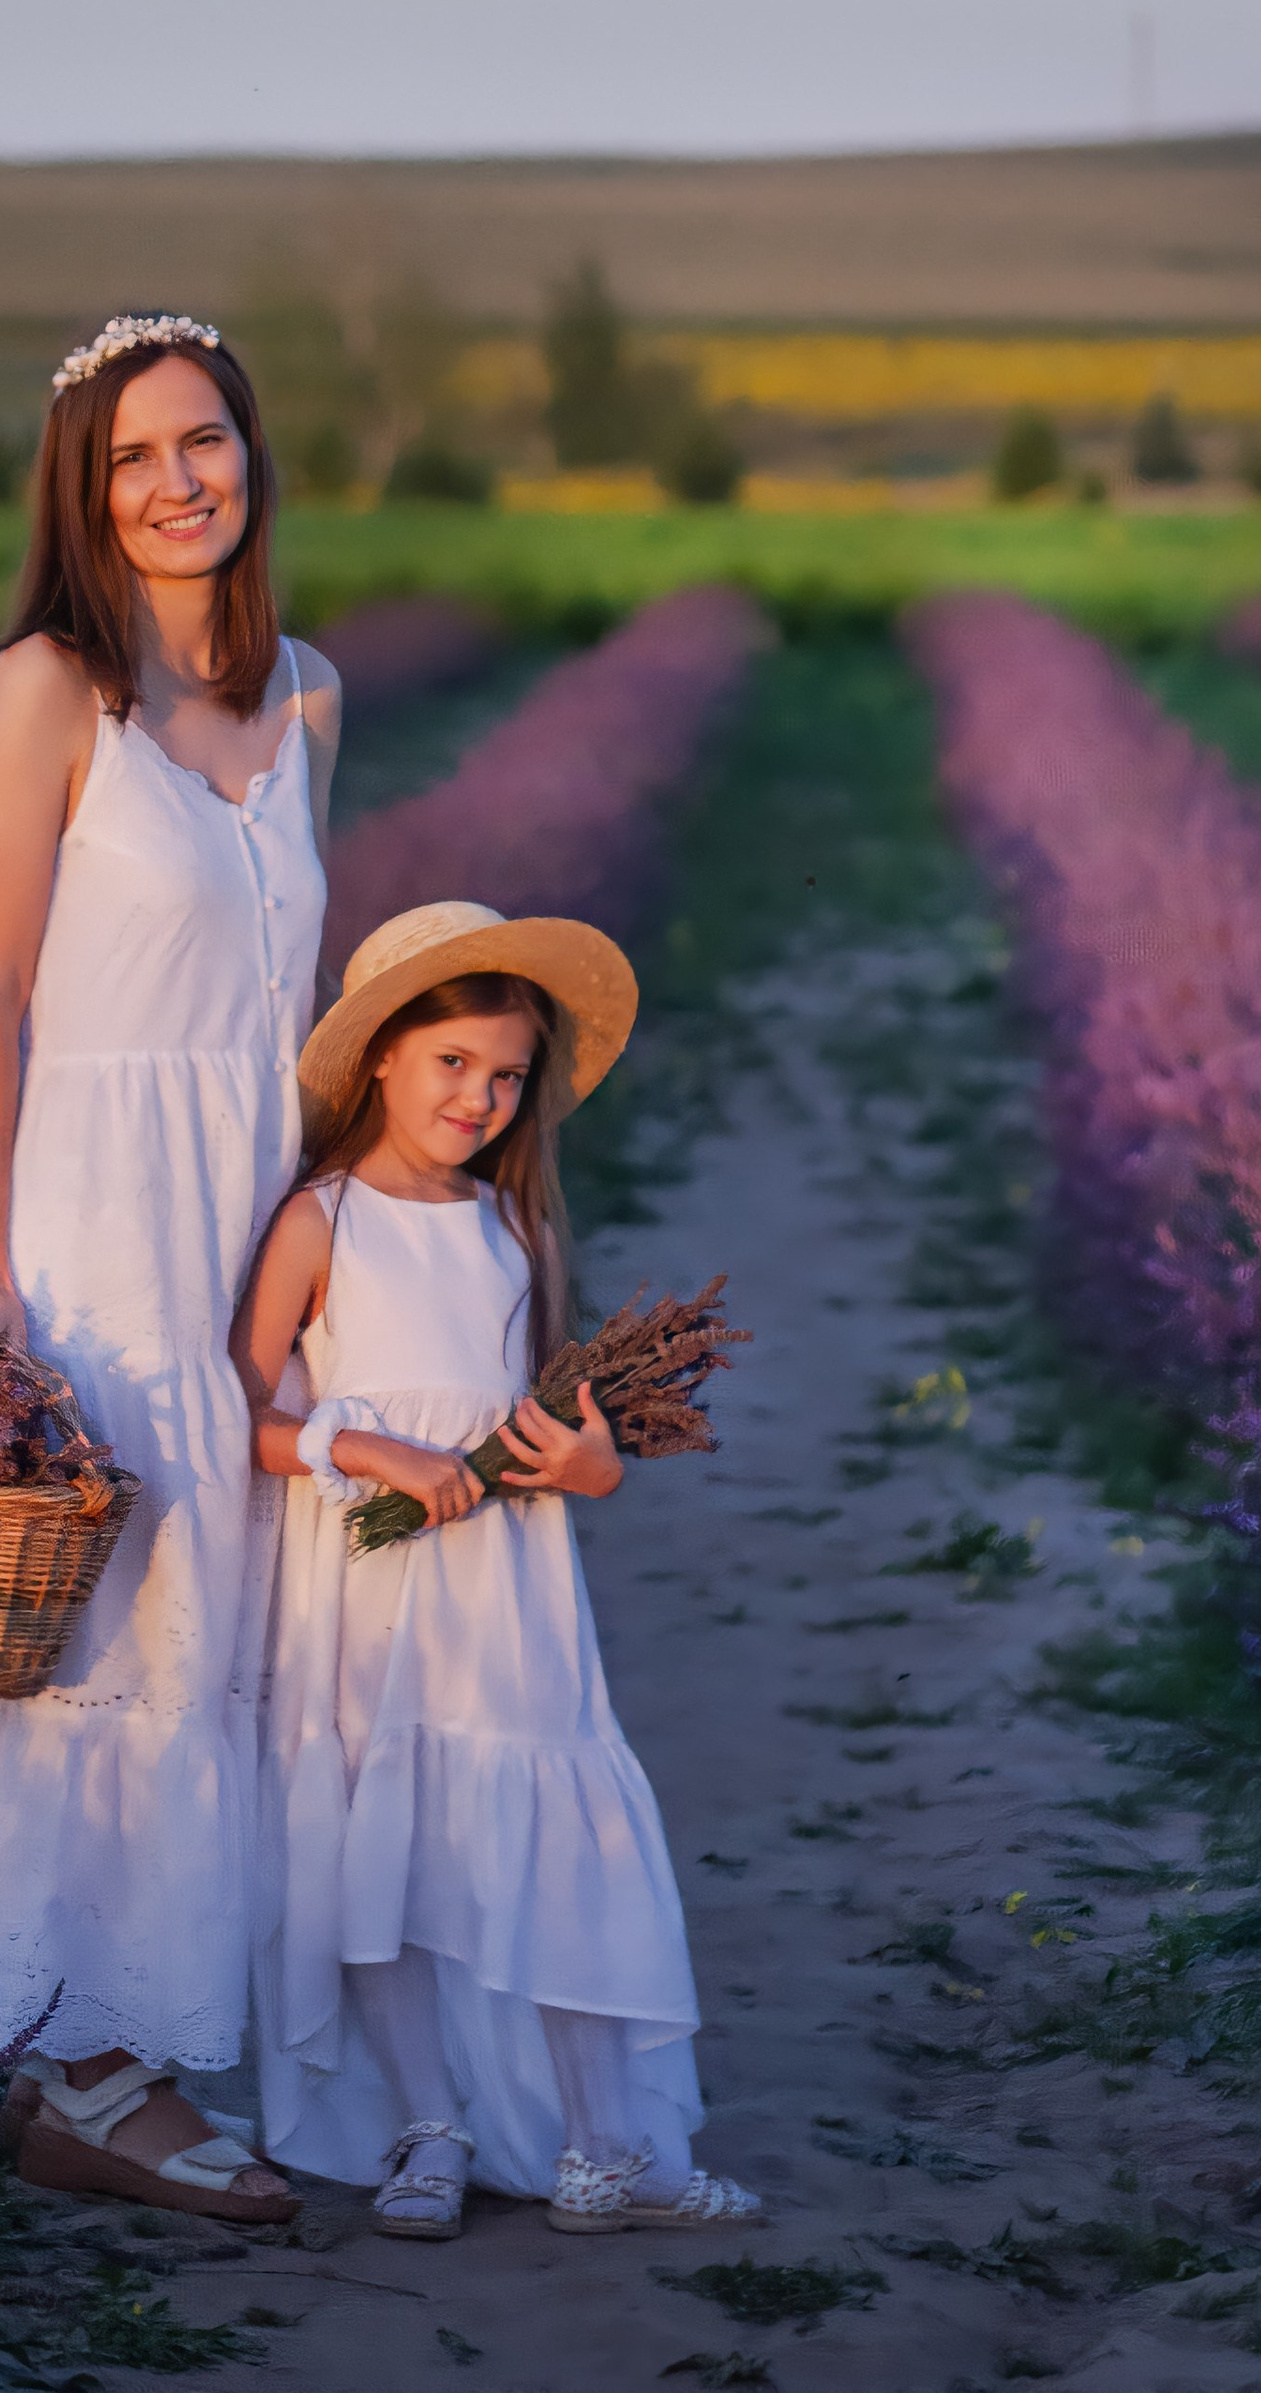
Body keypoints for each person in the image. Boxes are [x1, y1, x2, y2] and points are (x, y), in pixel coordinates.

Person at [0, 311, 336, 2229]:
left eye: (205, 442)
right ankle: (65, 2060)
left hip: (247, 1206)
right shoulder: (51, 688)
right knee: (89, 1634)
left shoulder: (315, 699)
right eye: (132, 457)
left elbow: (291, 1008)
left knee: (218, 1626)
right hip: (89, 1216)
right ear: (83, 489)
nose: (177, 482)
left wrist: (331, 1224)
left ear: (251, 460)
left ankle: (141, 2030)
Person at [231, 898, 762, 2239]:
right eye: (452, 1062)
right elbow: (237, 1420)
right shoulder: (321, 1217)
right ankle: (428, 2122)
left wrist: (594, 1468)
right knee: (383, 1841)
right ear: (381, 1063)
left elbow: (554, 1419)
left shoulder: (510, 1229)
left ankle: (606, 2144)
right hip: (363, 1574)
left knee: (552, 1833)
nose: (478, 1097)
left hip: (508, 1582)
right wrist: (377, 1450)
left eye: (507, 1075)